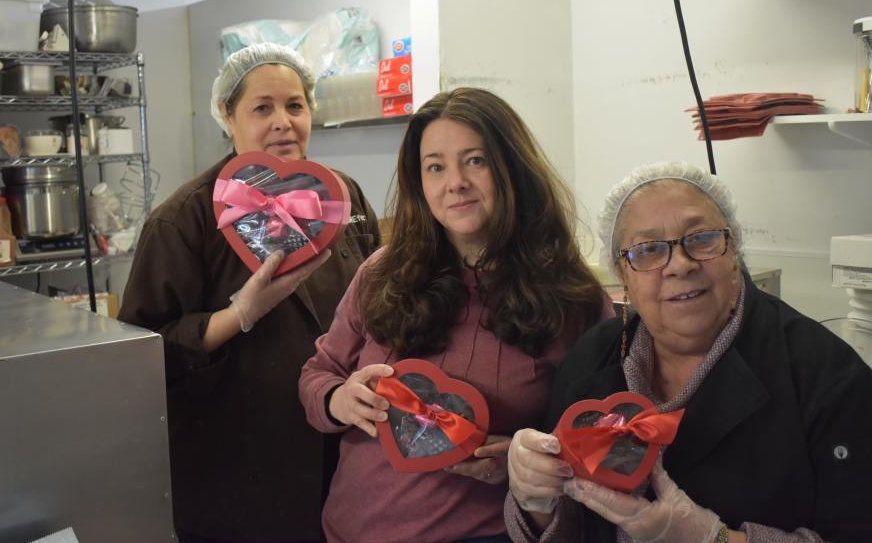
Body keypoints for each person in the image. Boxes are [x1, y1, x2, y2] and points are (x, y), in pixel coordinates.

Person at [298, 87, 612, 543]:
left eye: (475, 161)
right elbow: (317, 372)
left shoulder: (572, 296)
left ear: (512, 168)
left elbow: (600, 440)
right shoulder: (382, 272)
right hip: (348, 527)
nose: (455, 183)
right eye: (436, 167)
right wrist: (337, 400)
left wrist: (524, 464)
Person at [505, 161, 872, 543]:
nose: (680, 265)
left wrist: (716, 539)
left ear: (734, 251)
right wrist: (536, 502)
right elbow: (570, 526)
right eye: (647, 250)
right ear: (622, 274)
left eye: (702, 238)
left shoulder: (827, 374)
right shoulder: (591, 358)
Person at [118, 42, 380, 542]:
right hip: (238, 473)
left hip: (342, 453)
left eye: (295, 105)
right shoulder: (182, 221)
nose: (283, 121)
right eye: (262, 107)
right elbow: (144, 355)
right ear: (226, 114)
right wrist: (239, 314)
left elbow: (379, 298)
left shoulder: (342, 197)